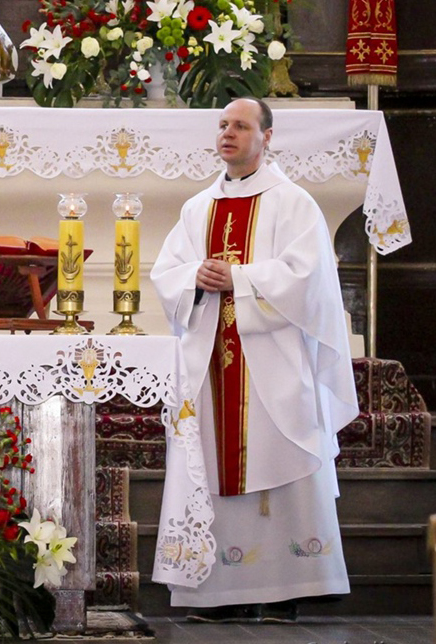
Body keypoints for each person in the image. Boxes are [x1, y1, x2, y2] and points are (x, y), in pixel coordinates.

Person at [151, 98, 358, 623]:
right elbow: (168, 272)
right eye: (223, 125)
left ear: (267, 137)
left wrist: (239, 280)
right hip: (212, 363)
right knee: (214, 467)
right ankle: (220, 592)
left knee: (279, 458)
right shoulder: (198, 208)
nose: (228, 133)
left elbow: (307, 278)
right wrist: (194, 280)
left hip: (271, 359)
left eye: (240, 126)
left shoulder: (293, 203)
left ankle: (287, 588)